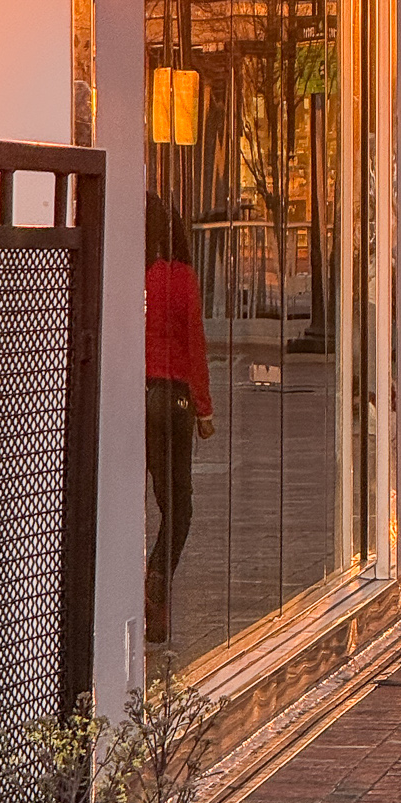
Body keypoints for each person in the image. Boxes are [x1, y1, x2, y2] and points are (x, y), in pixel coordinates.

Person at [144, 193, 214, 646]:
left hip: (135, 394)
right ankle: (157, 576)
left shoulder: (135, 273)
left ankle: (149, 600)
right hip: (173, 399)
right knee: (178, 505)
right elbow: (194, 344)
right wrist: (204, 408)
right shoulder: (180, 277)